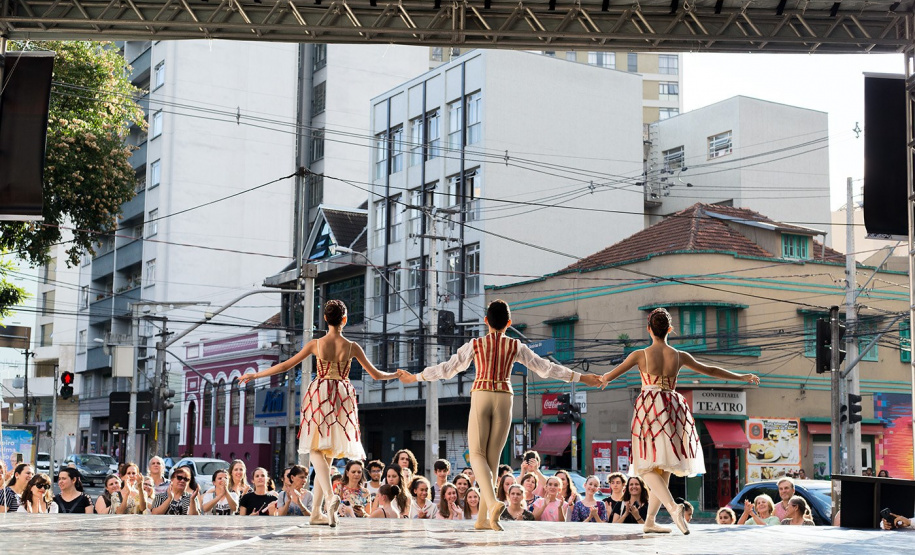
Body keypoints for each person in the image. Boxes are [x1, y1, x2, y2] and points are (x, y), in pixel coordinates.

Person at [399, 299, 601, 532]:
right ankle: (485, 519)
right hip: (505, 395)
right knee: (492, 460)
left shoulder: (476, 344)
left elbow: (448, 368)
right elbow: (545, 367)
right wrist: (581, 377)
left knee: (476, 454)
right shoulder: (516, 346)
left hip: (482, 393)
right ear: (509, 323)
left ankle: (493, 505)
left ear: (486, 321)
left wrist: (415, 377)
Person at [599, 307, 759, 535]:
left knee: (646, 466)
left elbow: (609, 376)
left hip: (649, 407)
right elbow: (711, 370)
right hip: (673, 407)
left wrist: (599, 379)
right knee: (663, 465)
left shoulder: (640, 355)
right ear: (670, 329)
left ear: (648, 329)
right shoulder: (679, 355)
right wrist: (741, 376)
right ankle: (650, 521)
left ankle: (673, 508)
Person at [240, 300, 398, 527]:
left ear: (325, 319)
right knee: (329, 451)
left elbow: (285, 366)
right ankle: (317, 513)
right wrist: (396, 374)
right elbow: (376, 375)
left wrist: (255, 375)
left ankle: (331, 498)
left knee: (316, 448)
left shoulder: (317, 343)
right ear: (345, 319)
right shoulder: (353, 346)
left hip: (322, 393)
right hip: (343, 394)